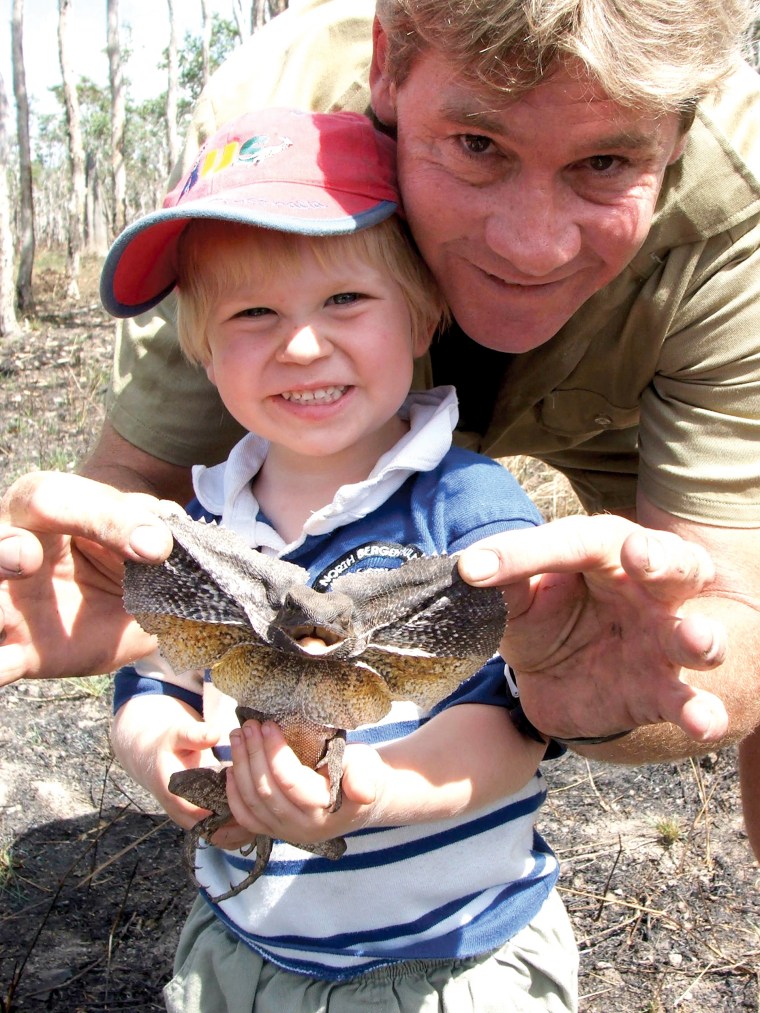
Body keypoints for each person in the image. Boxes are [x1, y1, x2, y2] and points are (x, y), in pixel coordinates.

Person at [1, 0, 757, 840]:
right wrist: (112, 593)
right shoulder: (271, 125)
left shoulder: (740, 203)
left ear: (682, 132)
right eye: (478, 146)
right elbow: (126, 504)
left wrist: (590, 697)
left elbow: (734, 612)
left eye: (607, 161)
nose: (531, 245)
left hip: (632, 375)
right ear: (388, 64)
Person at [104, 105, 577, 1009]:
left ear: (422, 310)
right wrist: (176, 765)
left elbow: (518, 728)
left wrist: (367, 791)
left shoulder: (465, 505)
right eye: (252, 312)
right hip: (247, 952)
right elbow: (147, 686)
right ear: (201, 346)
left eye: (345, 300)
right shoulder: (193, 528)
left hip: (454, 960)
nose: (304, 342)